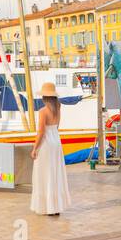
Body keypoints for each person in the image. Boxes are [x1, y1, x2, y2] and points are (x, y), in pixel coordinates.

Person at [30, 82, 72, 217]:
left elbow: (41, 132)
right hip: (56, 142)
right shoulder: (58, 109)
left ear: (44, 97)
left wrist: (35, 148)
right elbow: (56, 127)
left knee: (45, 174)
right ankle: (56, 206)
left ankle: (48, 207)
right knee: (55, 174)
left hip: (47, 144)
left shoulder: (43, 111)